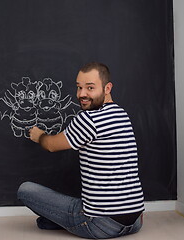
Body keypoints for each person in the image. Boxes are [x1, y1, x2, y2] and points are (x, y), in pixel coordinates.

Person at [17, 62, 145, 239]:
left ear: (107, 88)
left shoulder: (89, 119)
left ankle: (68, 222)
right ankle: (58, 221)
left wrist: (39, 135)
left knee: (25, 190)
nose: (82, 94)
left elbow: (52, 145)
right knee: (50, 218)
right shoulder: (122, 114)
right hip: (135, 220)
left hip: (101, 223)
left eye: (90, 88)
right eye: (79, 87)